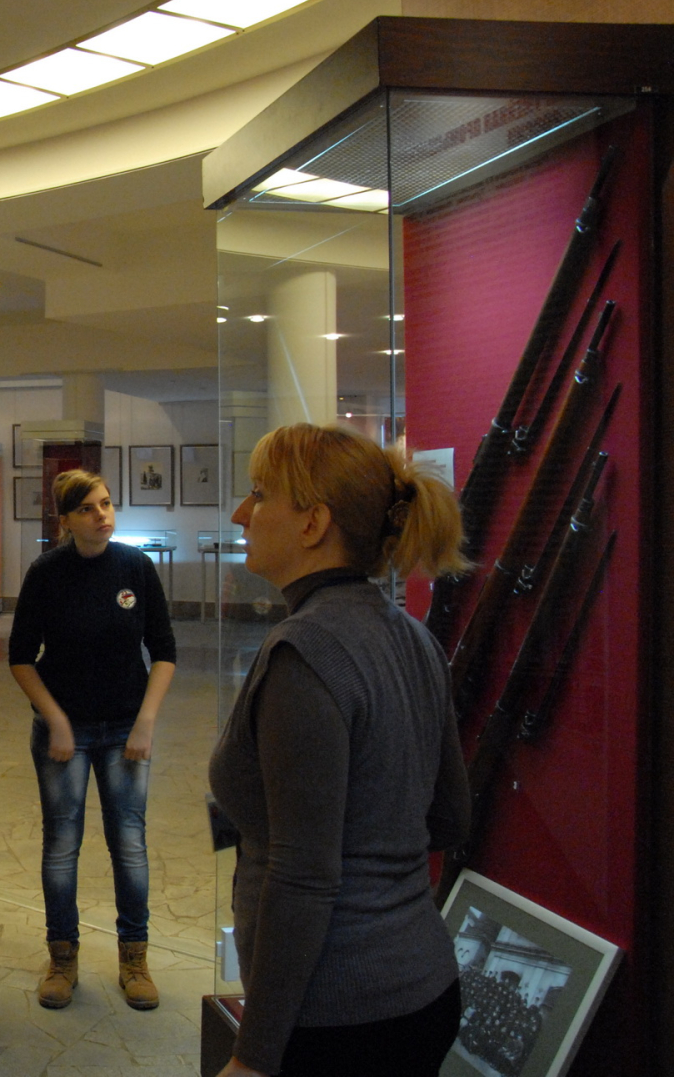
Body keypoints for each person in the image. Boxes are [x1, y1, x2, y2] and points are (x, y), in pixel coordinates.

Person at [208, 423, 472, 1077]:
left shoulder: (305, 652)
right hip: (423, 982)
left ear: (312, 523)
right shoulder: (412, 638)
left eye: (259, 495)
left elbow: (303, 876)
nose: (241, 514)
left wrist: (253, 1057)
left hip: (337, 1017)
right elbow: (449, 818)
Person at [9, 468, 176, 1011]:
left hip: (126, 726)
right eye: (87, 508)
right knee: (62, 844)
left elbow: (165, 650)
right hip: (66, 731)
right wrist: (55, 720)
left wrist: (146, 721)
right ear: (66, 520)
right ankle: (62, 958)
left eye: (105, 503)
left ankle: (135, 958)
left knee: (129, 841)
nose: (101, 515)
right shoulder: (46, 573)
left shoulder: (136, 567)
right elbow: (20, 658)